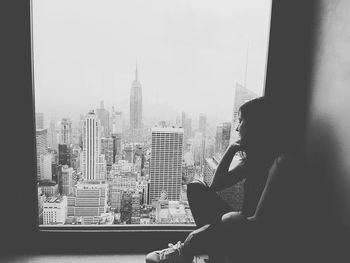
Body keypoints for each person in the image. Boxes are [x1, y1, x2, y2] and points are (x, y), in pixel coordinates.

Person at [145, 97, 282, 263]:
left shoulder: (279, 164)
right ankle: (195, 251)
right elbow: (217, 185)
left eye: (241, 121)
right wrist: (231, 149)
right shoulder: (254, 161)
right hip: (239, 222)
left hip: (252, 234)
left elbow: (260, 224)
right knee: (196, 188)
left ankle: (184, 252)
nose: (238, 128)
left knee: (207, 231)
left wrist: (229, 221)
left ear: (257, 125)